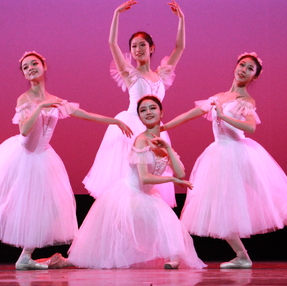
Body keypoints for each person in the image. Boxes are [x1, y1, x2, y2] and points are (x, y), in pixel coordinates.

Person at [0, 52, 132, 270]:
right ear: (24, 74)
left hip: (42, 159)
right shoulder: (24, 99)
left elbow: (85, 114)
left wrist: (115, 121)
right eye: (25, 67)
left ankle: (25, 257)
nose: (30, 68)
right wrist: (39, 107)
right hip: (19, 157)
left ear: (44, 66)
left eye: (34, 64)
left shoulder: (56, 101)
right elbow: (24, 130)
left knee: (45, 208)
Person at [162, 53, 287, 269]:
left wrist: (223, 116)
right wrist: (163, 127)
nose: (244, 70)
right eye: (242, 65)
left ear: (254, 77)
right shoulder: (218, 97)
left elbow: (250, 127)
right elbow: (188, 114)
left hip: (241, 153)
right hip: (219, 155)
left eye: (250, 69)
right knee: (218, 205)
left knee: (273, 197)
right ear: (235, 67)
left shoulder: (246, 101)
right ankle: (241, 256)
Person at [67, 96, 205, 269]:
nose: (148, 112)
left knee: (168, 222)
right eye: (143, 110)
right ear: (139, 117)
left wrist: (168, 149)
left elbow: (181, 173)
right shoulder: (141, 140)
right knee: (141, 228)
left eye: (152, 108)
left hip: (146, 194)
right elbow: (144, 177)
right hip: (129, 193)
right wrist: (171, 179)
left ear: (161, 112)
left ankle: (173, 259)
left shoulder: (162, 143)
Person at [83, 0, 185, 207]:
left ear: (151, 48)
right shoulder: (130, 74)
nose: (137, 49)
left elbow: (180, 47)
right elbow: (112, 44)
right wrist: (116, 14)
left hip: (153, 128)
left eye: (142, 45)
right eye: (133, 46)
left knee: (149, 185)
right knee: (128, 181)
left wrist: (181, 19)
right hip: (130, 127)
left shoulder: (162, 74)